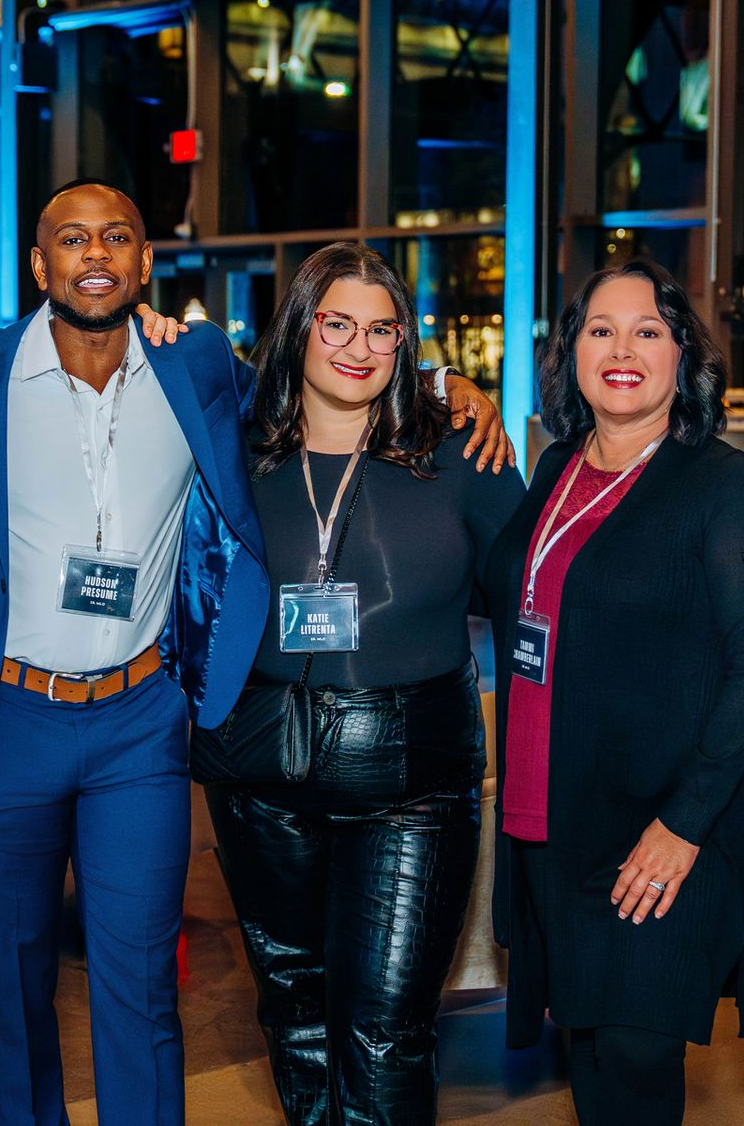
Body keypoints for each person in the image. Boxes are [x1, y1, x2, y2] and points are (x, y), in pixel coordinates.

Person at [0, 182, 509, 1126]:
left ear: (148, 263)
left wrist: (447, 384)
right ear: (39, 263)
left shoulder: (194, 374)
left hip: (146, 721)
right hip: (16, 717)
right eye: (72, 238)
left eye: (117, 238)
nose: (96, 254)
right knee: (8, 992)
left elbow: (343, 378)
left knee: (145, 988)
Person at [202, 242, 525, 1125]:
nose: (358, 346)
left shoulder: (462, 448)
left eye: (382, 329)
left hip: (412, 781)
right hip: (258, 772)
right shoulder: (234, 449)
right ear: (299, 328)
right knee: (295, 1013)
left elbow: (542, 601)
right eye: (337, 323)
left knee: (385, 1028)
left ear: (404, 343)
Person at [486, 260, 744, 1126]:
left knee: (639, 1065)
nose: (623, 349)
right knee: (593, 1061)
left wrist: (684, 824)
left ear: (683, 352)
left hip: (659, 835)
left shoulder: (719, 484)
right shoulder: (554, 470)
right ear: (570, 350)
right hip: (553, 823)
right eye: (601, 329)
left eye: (649, 330)